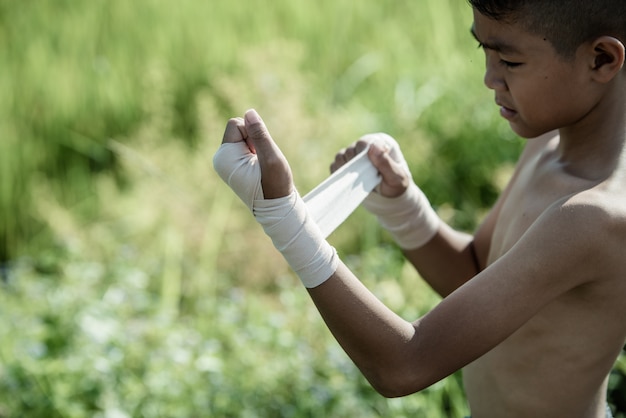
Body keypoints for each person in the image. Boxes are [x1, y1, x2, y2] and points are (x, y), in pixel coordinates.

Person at [213, 0, 626, 416]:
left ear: (601, 59)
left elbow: (404, 365)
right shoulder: (545, 147)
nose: (488, 78)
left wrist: (285, 219)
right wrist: (405, 209)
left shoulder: (595, 217)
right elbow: (475, 272)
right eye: (483, 51)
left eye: (509, 60)